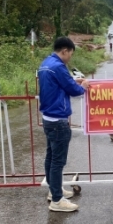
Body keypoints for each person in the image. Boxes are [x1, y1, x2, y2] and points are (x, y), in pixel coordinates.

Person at [38, 37, 90, 212]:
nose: (70, 58)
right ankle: (57, 201)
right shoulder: (59, 66)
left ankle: (54, 191)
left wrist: (74, 81)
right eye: (70, 54)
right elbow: (74, 90)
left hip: (48, 118)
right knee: (57, 162)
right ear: (65, 51)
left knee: (51, 157)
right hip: (58, 120)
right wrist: (84, 86)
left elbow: (63, 83)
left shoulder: (46, 63)